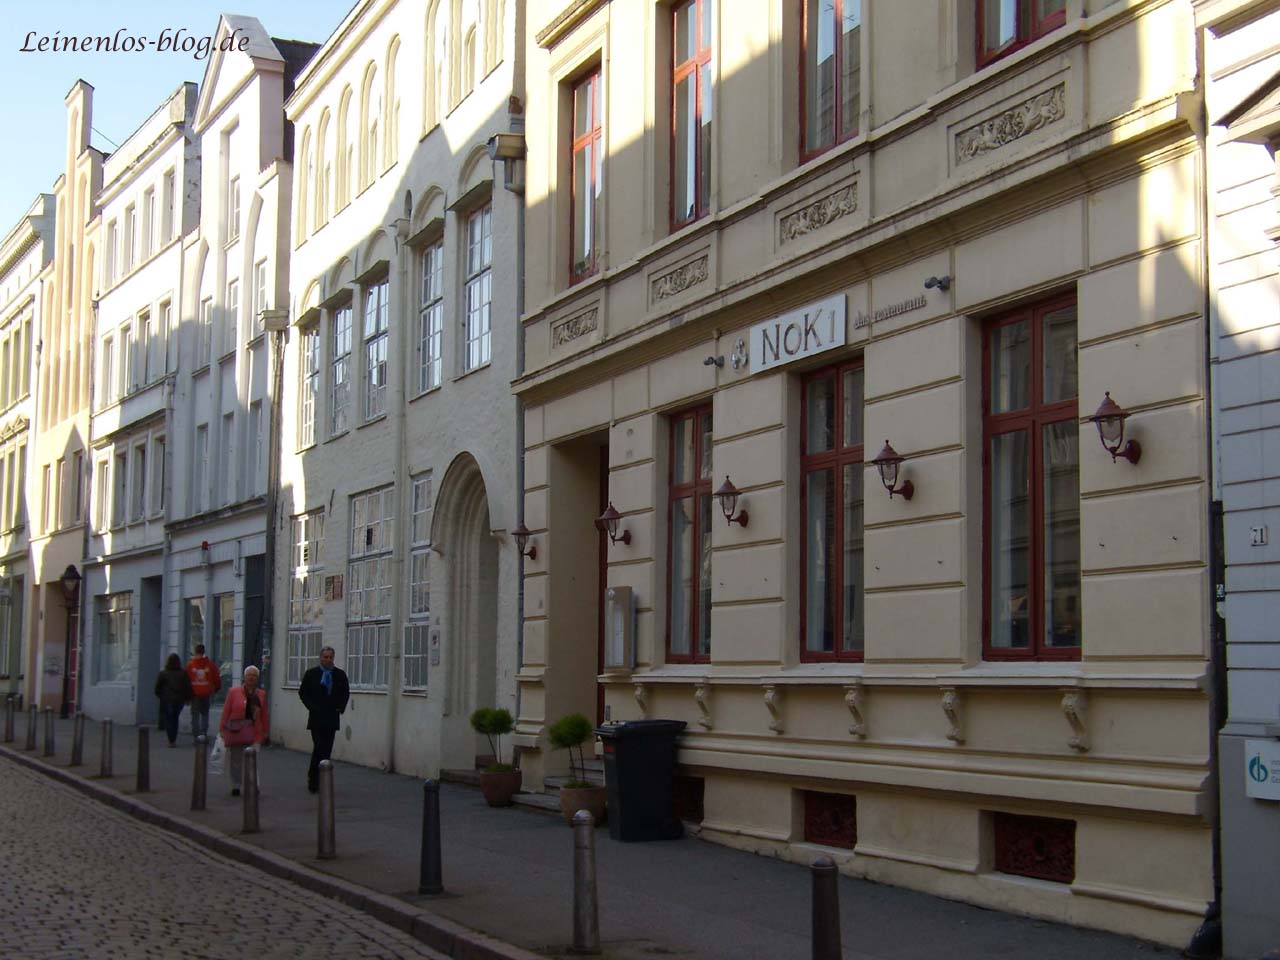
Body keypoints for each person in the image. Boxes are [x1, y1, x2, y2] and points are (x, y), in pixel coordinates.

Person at [298, 646, 350, 794]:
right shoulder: (311, 674)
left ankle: (323, 779)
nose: (328, 660)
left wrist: (340, 708)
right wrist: (312, 707)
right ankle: (313, 778)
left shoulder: (339, 675)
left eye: (330, 657)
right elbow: (303, 693)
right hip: (316, 718)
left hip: (331, 718)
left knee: (326, 750)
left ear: (333, 658)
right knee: (319, 747)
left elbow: (345, 693)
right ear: (320, 658)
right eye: (325, 657)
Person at [219, 665, 269, 796]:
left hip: (255, 732)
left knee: (252, 760)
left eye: (254, 675)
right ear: (244, 677)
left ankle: (254, 785)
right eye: (249, 675)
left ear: (257, 678)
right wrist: (222, 729)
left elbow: (264, 714)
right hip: (236, 731)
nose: (251, 678)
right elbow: (226, 711)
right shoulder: (233, 692)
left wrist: (265, 731)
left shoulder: (261, 694)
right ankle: (236, 785)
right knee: (236, 760)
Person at [154, 653, 193, 747]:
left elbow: (157, 687)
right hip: (179, 699)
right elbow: (187, 687)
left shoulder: (163, 673)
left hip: (167, 699)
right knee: (175, 718)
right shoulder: (182, 673)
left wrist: (161, 696)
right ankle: (173, 739)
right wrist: (188, 698)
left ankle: (171, 740)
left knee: (169, 719)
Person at [184, 643, 222, 741]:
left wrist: (186, 695)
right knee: (205, 714)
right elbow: (217, 678)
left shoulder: (190, 665)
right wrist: (216, 689)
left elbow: (185, 680)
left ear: (195, 651)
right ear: (204, 652)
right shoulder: (210, 664)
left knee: (195, 714)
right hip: (206, 693)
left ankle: (196, 735)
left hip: (194, 693)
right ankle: (203, 734)